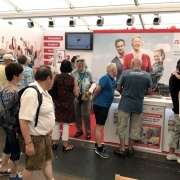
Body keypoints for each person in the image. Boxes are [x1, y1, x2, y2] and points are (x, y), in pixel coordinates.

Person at [18, 65, 56, 180]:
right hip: (34, 138)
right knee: (30, 166)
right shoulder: (32, 93)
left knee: (47, 161)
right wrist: (29, 143)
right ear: (48, 78)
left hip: (43, 135)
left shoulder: (43, 91)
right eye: (53, 77)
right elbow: (23, 119)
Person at [114, 58, 152, 157]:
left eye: (131, 63)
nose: (130, 64)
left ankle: (122, 149)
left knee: (121, 126)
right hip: (138, 105)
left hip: (125, 104)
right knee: (135, 128)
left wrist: (125, 93)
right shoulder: (147, 75)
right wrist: (139, 93)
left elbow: (118, 88)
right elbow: (149, 92)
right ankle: (130, 149)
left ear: (133, 63)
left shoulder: (125, 73)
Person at [0, 63, 23, 180]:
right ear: (15, 75)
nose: (23, 75)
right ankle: (13, 175)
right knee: (16, 149)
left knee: (8, 145)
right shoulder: (11, 90)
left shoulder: (9, 87)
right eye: (21, 73)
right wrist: (16, 129)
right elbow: (11, 112)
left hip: (7, 123)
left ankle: (3, 168)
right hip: (11, 124)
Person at [51, 60, 79, 151]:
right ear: (70, 68)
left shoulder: (56, 77)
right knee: (66, 124)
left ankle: (54, 143)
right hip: (68, 103)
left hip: (57, 103)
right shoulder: (73, 79)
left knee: (56, 122)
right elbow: (77, 94)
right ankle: (65, 145)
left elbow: (51, 88)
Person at [93, 62, 117, 158]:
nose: (117, 70)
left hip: (104, 106)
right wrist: (94, 99)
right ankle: (99, 148)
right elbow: (97, 90)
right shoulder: (105, 78)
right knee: (100, 127)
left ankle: (97, 144)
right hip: (101, 105)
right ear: (112, 70)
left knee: (99, 126)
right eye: (116, 69)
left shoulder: (113, 80)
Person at [71, 58, 96, 140]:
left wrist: (90, 91)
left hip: (86, 97)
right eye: (79, 67)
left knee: (86, 115)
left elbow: (93, 83)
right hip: (76, 98)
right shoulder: (73, 73)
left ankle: (88, 132)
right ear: (76, 66)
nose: (80, 68)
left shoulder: (88, 72)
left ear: (84, 65)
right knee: (77, 115)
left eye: (82, 66)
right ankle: (79, 130)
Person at [166, 60, 180, 163]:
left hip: (177, 108)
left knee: (177, 132)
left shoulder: (173, 77)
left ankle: (171, 153)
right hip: (179, 109)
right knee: (177, 132)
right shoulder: (176, 78)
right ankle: (171, 153)